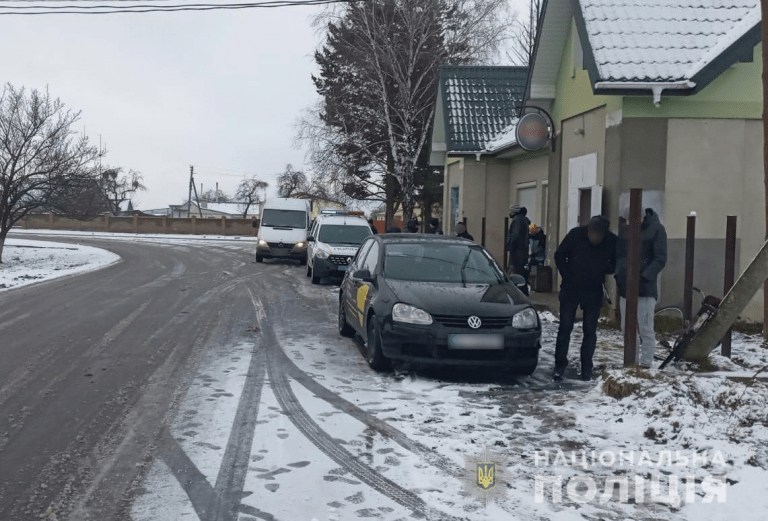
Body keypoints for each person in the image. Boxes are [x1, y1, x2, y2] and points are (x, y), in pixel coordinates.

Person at [553, 216, 617, 381]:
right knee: (565, 328)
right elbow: (559, 255)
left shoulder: (611, 241)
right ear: (588, 230)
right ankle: (559, 365)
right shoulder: (576, 235)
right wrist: (567, 276)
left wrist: (606, 267)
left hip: (593, 290)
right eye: (591, 234)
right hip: (571, 288)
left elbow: (616, 263)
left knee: (590, 331)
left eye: (597, 236)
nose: (594, 238)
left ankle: (586, 368)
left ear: (603, 234)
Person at [614, 209, 667, 368]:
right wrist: (620, 276)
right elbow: (620, 256)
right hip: (626, 288)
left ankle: (645, 364)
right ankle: (631, 361)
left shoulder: (657, 230)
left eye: (631, 219)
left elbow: (660, 258)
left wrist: (643, 277)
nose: (629, 223)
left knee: (645, 329)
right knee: (627, 329)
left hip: (645, 289)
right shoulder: (626, 231)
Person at [506, 204, 531, 295]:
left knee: (517, 271)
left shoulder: (517, 220)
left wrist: (511, 246)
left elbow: (515, 236)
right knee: (521, 271)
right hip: (523, 249)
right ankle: (523, 290)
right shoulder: (523, 220)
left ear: (513, 211)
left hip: (517, 250)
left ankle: (520, 292)